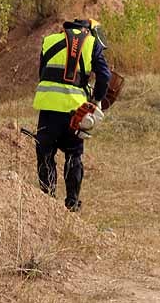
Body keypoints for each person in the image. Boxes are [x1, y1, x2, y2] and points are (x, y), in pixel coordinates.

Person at [32, 18, 111, 210]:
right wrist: (96, 100)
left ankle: (47, 203)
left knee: (45, 153)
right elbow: (105, 76)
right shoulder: (91, 42)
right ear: (89, 30)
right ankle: (72, 204)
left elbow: (43, 72)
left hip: (48, 108)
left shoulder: (49, 40)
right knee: (74, 154)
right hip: (74, 111)